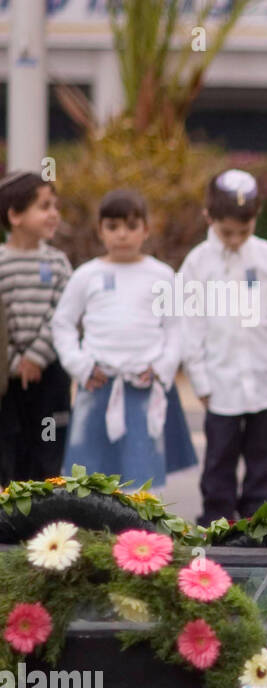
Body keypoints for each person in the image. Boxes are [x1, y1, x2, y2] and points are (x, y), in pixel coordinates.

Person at [181, 169, 267, 524]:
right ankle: (217, 523)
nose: (235, 239)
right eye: (226, 232)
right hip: (219, 381)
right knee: (219, 458)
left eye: (244, 231)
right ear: (209, 217)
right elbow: (189, 326)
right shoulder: (197, 264)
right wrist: (201, 381)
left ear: (256, 217)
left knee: (264, 459)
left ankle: (259, 522)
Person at [51, 190, 179, 488]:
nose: (122, 235)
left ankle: (142, 533)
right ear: (100, 230)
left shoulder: (162, 276)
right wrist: (80, 365)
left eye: (131, 227)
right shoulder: (87, 275)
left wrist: (162, 367)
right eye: (113, 227)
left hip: (143, 384)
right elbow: (63, 323)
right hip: (97, 384)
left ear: (146, 229)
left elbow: (177, 327)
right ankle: (88, 530)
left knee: (143, 473)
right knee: (88, 474)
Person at [0, 171, 72, 483]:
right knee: (9, 446)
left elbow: (64, 312)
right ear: (15, 215)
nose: (53, 214)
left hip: (48, 378)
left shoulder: (57, 263)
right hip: (7, 380)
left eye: (55, 206)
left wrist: (37, 357)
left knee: (48, 442)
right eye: (44, 206)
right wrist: (16, 363)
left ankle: (46, 518)